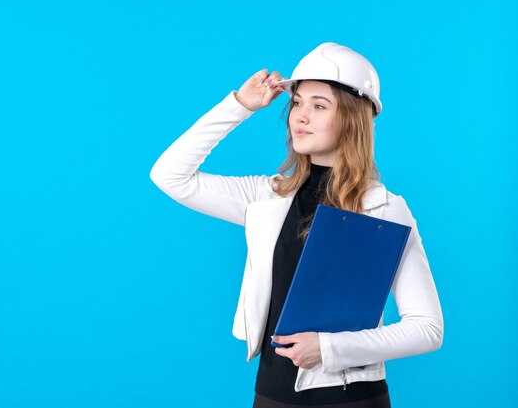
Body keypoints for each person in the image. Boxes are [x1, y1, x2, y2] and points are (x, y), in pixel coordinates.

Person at [149, 42, 443, 408]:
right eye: (298, 103)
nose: (300, 116)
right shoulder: (265, 196)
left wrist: (329, 348)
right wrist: (239, 105)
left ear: (353, 118)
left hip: (351, 400)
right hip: (271, 396)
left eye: (319, 106)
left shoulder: (383, 208)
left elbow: (427, 329)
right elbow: (169, 175)